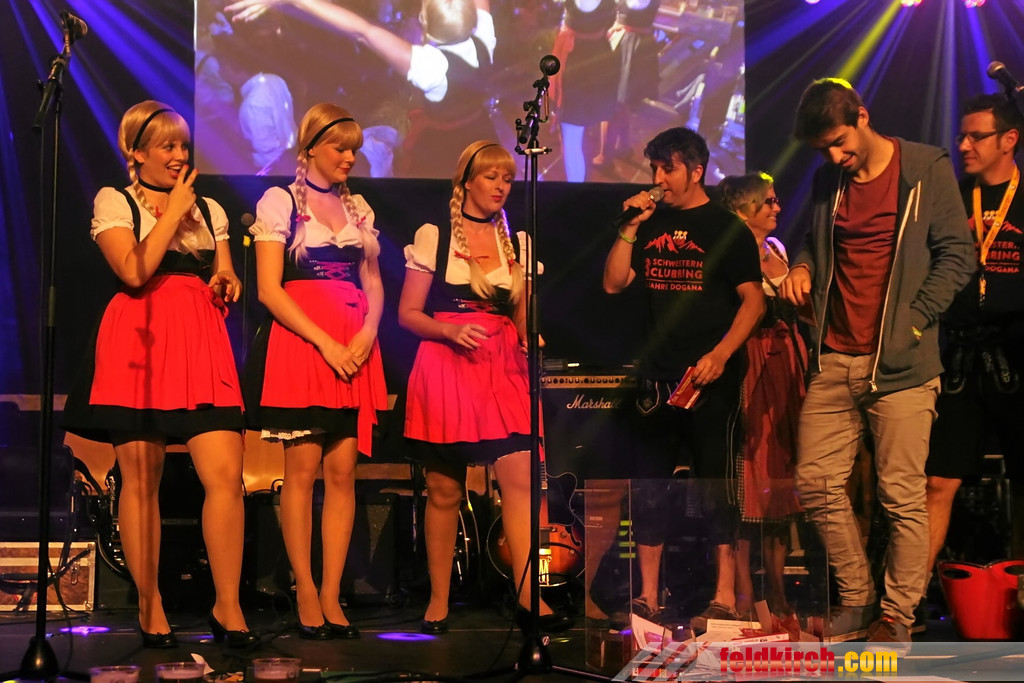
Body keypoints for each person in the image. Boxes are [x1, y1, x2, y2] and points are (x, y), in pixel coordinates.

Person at [780, 78, 975, 643]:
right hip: (836, 357)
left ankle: (897, 617)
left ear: (862, 117)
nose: (834, 156)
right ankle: (860, 597)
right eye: (823, 149)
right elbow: (813, 242)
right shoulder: (829, 180)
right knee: (816, 483)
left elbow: (958, 255)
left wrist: (914, 321)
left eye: (840, 142)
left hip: (902, 365)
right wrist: (802, 267)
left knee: (901, 497)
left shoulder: (924, 167)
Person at [62, 101, 255, 648]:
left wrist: (225, 280)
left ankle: (228, 607)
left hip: (200, 342)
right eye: (167, 146)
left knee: (226, 476)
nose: (179, 155)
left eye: (183, 145)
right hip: (139, 342)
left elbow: (223, 270)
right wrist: (172, 212)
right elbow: (134, 270)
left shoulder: (210, 210)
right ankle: (151, 605)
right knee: (141, 479)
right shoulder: (115, 201)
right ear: (136, 152)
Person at [398, 140, 569, 635]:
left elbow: (522, 315)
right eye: (491, 177)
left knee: (522, 482)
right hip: (446, 364)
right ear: (467, 181)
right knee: (444, 490)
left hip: (503, 368)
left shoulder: (519, 243)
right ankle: (438, 598)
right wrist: (448, 330)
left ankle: (529, 596)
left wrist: (530, 333)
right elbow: (408, 314)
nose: (500, 186)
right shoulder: (434, 235)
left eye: (507, 179)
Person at [602, 127, 765, 628]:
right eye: (654, 168)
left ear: (696, 171)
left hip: (709, 377)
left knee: (715, 486)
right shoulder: (650, 223)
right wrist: (630, 228)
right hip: (657, 375)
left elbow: (754, 301)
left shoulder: (726, 228)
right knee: (650, 488)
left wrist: (721, 354)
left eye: (667, 168)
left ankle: (723, 596)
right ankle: (649, 595)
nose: (658, 178)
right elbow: (614, 283)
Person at [243, 103, 387, 640]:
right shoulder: (279, 201)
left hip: (354, 344)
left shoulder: (358, 208)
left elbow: (373, 282)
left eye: (354, 149)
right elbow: (268, 289)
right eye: (339, 147)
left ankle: (331, 592)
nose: (349, 157)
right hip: (305, 345)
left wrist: (367, 332)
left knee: (343, 472)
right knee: (301, 471)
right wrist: (326, 343)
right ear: (310, 149)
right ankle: (304, 588)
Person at [924, 94, 1024, 597]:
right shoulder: (952, 198)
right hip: (962, 358)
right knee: (937, 482)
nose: (963, 145)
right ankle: (906, 604)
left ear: (1009, 140)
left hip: (1018, 357)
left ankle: (1020, 597)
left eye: (976, 136)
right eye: (961, 135)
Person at [225, 0, 497, 178]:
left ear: (424, 23)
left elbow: (363, 31)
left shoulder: (430, 67)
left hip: (443, 154)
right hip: (481, 135)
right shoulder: (484, 36)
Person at [718, 172, 806, 619]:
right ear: (742, 209)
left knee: (780, 475)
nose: (776, 208)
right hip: (749, 360)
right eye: (767, 201)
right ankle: (743, 593)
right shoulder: (730, 252)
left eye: (775, 200)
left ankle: (778, 590)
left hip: (785, 359)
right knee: (745, 479)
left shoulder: (777, 249)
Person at [548, 0, 618, 181]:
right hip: (600, 56)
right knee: (582, 128)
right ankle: (583, 178)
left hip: (576, 62)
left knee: (572, 135)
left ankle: (576, 188)